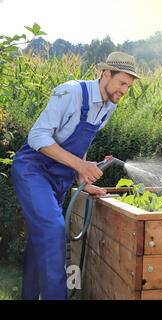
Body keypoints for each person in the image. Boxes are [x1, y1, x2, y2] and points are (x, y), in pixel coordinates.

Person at [11, 52, 140, 300]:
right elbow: (37, 137)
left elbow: (82, 143)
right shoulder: (70, 92)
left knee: (42, 239)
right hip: (33, 170)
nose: (124, 90)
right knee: (52, 230)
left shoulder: (109, 105)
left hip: (60, 176)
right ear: (106, 74)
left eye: (129, 86)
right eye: (122, 83)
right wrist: (80, 166)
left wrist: (82, 178)